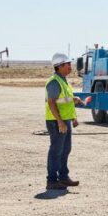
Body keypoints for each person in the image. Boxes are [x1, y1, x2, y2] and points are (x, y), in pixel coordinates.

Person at [45, 52, 83, 190]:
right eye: (68, 64)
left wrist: (73, 118)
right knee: (56, 151)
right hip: (56, 122)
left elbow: (62, 100)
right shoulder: (54, 82)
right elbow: (51, 103)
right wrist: (60, 122)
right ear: (59, 66)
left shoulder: (63, 80)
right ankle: (52, 180)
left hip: (65, 120)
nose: (70, 66)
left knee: (65, 150)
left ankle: (63, 177)